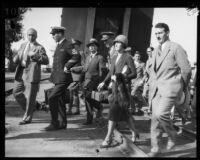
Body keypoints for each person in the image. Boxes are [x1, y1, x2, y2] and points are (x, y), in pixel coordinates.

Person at [147, 23, 191, 157]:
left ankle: (172, 134)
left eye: (160, 32)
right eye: (156, 33)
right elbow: (151, 69)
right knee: (155, 121)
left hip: (170, 88)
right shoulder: (154, 51)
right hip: (156, 91)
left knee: (161, 114)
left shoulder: (176, 47)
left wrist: (180, 87)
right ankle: (155, 149)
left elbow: (186, 70)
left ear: (167, 32)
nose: (157, 36)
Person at [44, 26, 80, 131]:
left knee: (52, 98)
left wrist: (67, 65)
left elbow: (77, 56)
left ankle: (54, 123)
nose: (52, 36)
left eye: (54, 34)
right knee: (59, 100)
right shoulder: (59, 45)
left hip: (63, 79)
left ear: (60, 34)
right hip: (58, 78)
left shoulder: (68, 44)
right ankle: (63, 124)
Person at [12, 28, 49, 125]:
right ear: (26, 35)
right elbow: (18, 57)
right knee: (16, 93)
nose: (30, 37)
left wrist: (34, 56)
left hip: (32, 74)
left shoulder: (39, 47)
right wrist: (16, 58)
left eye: (32, 35)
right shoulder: (23, 45)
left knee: (30, 97)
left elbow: (46, 60)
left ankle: (27, 118)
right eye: (29, 35)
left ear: (36, 36)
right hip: (20, 72)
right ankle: (33, 107)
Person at [100, 73, 139, 148]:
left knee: (112, 119)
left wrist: (115, 83)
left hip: (118, 103)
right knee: (127, 118)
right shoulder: (115, 83)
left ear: (117, 79)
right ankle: (134, 132)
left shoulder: (120, 84)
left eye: (113, 77)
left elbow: (125, 94)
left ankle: (108, 139)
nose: (112, 78)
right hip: (118, 103)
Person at [79, 38, 106, 125]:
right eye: (90, 46)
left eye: (93, 46)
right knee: (87, 99)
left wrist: (101, 82)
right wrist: (81, 79)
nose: (91, 48)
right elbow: (84, 69)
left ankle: (99, 107)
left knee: (89, 97)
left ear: (97, 47)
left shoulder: (100, 57)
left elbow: (102, 72)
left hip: (94, 81)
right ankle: (89, 119)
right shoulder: (87, 58)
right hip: (86, 81)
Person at [67, 39, 83, 115]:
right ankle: (75, 110)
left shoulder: (81, 54)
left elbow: (83, 66)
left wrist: (73, 68)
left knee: (72, 92)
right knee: (74, 93)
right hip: (71, 76)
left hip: (76, 76)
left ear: (78, 46)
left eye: (74, 45)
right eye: (72, 45)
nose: (73, 46)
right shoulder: (73, 53)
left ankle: (71, 110)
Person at [131, 51, 146, 115]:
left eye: (139, 56)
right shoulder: (131, 63)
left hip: (138, 82)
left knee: (133, 93)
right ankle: (137, 108)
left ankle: (144, 104)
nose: (138, 57)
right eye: (136, 56)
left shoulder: (142, 64)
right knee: (133, 95)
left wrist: (142, 81)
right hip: (131, 81)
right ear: (134, 57)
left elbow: (145, 74)